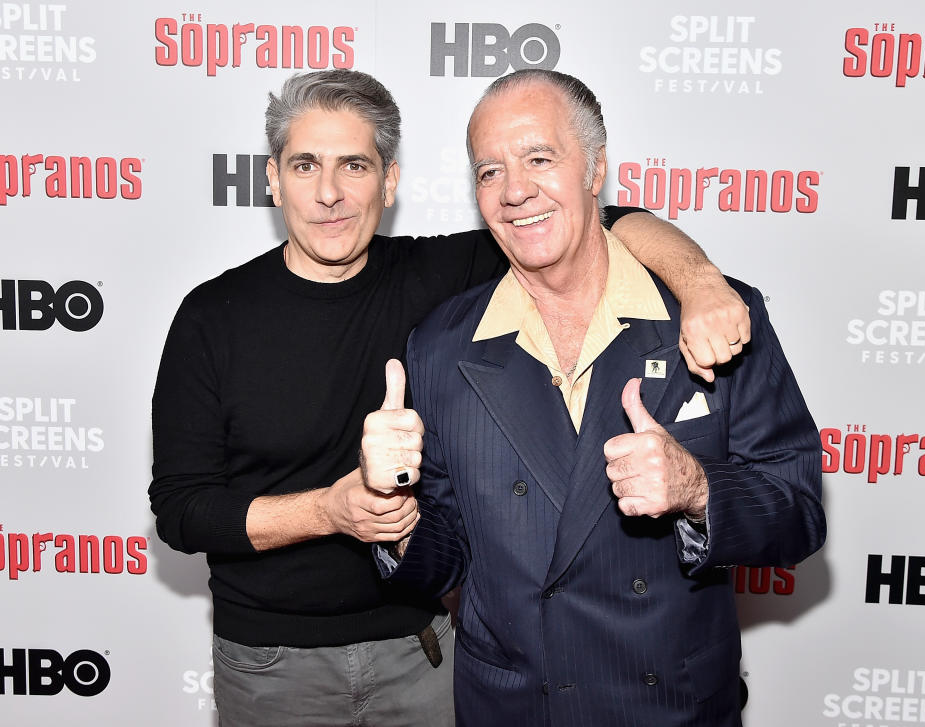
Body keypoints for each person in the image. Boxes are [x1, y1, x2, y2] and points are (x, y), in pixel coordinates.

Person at [149, 69, 751, 727]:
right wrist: (331, 509)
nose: (328, 193)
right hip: (272, 664)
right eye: (304, 165)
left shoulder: (441, 279)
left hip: (426, 653)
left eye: (354, 164)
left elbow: (604, 222)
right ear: (272, 179)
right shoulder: (212, 317)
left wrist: (702, 283)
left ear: (390, 181)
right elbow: (183, 510)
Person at [366, 69, 826, 727]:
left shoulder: (713, 317)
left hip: (669, 706)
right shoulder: (442, 345)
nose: (514, 189)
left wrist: (697, 487)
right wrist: (391, 507)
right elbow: (443, 551)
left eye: (539, 158)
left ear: (596, 168)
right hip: (517, 706)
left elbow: (800, 512)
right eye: (489, 171)